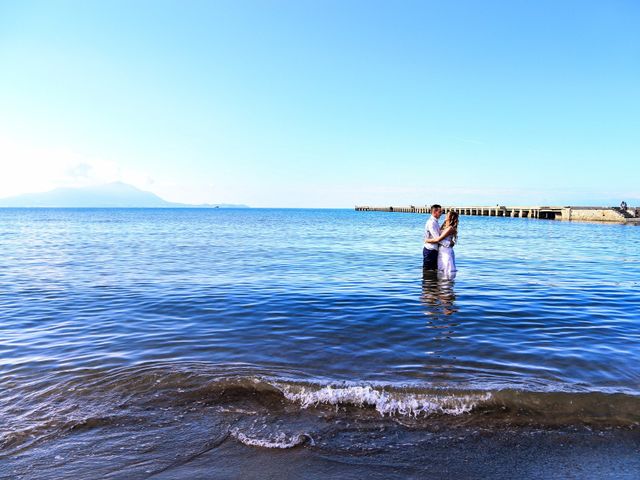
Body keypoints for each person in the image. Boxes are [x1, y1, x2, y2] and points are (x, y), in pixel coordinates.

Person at [426, 211, 458, 277]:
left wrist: (427, 240)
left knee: (447, 268)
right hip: (441, 250)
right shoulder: (445, 226)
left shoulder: (450, 228)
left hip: (446, 250)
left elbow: (439, 239)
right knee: (441, 269)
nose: (445, 215)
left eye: (447, 215)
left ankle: (446, 285)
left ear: (450, 217)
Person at [423, 204, 442, 270]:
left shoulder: (435, 222)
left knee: (433, 270)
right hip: (430, 250)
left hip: (433, 250)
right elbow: (437, 238)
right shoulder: (431, 223)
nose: (441, 214)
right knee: (428, 270)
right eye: (440, 212)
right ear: (434, 212)